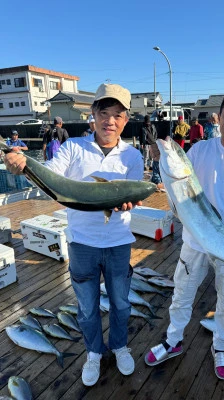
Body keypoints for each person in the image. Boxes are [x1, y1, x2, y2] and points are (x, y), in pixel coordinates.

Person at [4, 83, 144, 386]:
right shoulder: (73, 147)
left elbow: (133, 192)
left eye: (118, 115)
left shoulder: (133, 156)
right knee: (86, 307)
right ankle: (94, 351)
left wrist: (131, 200)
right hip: (81, 243)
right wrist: (23, 164)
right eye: (103, 113)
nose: (110, 121)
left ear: (125, 119)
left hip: (120, 242)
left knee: (121, 303)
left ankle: (119, 345)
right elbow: (51, 177)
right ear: (92, 114)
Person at [144, 85, 224, 380]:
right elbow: (178, 187)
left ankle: (221, 346)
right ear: (219, 116)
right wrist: (161, 155)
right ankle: (173, 340)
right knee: (182, 295)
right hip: (194, 242)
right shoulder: (199, 150)